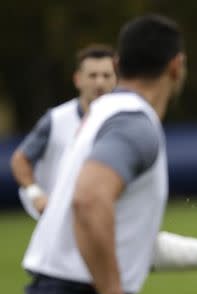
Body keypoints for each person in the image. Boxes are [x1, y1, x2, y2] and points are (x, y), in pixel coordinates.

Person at [18, 15, 197, 294]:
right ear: (176, 66)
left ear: (116, 65)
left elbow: (122, 237)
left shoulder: (102, 114)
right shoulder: (134, 124)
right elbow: (88, 201)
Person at [10, 44, 117, 217]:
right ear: (78, 79)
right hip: (60, 219)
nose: (99, 82)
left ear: (116, 79)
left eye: (106, 75)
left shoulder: (124, 120)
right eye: (93, 75)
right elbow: (20, 159)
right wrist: (35, 194)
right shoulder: (56, 119)